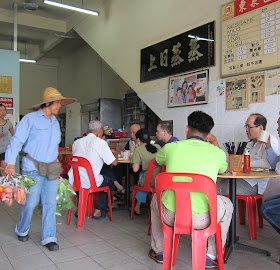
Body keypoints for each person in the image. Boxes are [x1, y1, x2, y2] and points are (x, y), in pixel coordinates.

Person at [149, 111, 233, 268]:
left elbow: (157, 161)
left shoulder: (171, 147)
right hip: (203, 219)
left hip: (170, 216)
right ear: (208, 134)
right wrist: (214, 142)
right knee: (227, 204)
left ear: (187, 129)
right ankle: (212, 254)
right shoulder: (217, 153)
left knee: (156, 198)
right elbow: (223, 169)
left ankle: (159, 250)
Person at [4, 87, 77, 251]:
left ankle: (49, 237)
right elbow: (16, 141)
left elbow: (52, 147)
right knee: (30, 202)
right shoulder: (30, 119)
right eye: (57, 102)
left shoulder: (55, 122)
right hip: (32, 167)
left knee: (51, 204)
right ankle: (22, 229)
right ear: (48, 103)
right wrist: (9, 162)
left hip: (50, 167)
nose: (60, 106)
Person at [68, 120, 125, 219]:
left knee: (82, 180)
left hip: (74, 180)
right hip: (90, 181)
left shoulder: (76, 142)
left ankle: (81, 208)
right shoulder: (101, 143)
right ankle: (98, 211)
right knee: (110, 182)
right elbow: (114, 163)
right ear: (100, 131)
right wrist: (115, 153)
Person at [218, 113, 279, 196]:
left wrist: (245, 163)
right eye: (246, 127)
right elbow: (241, 161)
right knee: (216, 181)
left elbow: (269, 163)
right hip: (242, 178)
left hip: (254, 183)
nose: (246, 130)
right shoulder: (249, 144)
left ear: (260, 128)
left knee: (217, 188)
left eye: (249, 127)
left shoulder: (270, 140)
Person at [131, 129, 161, 215]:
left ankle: (137, 206)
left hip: (149, 181)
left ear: (138, 140)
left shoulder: (138, 149)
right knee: (146, 175)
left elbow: (135, 169)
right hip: (159, 180)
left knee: (142, 176)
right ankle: (143, 204)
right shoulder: (158, 147)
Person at [260, 116, 280, 234]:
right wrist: (267, 144)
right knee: (268, 201)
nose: (277, 129)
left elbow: (277, 168)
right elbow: (274, 164)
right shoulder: (251, 144)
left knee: (266, 208)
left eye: (279, 125)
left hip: (255, 184)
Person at [0, 104, 14, 174]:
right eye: (1, 110)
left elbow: (14, 135)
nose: (3, 112)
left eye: (4, 110)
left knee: (4, 169)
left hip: (4, 149)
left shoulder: (8, 123)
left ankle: (4, 184)